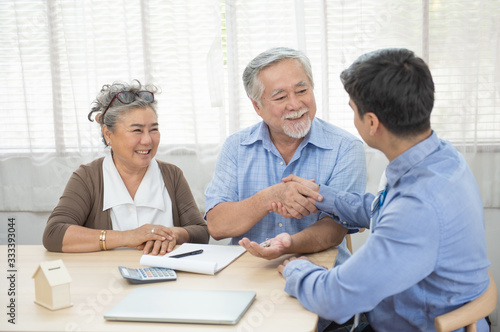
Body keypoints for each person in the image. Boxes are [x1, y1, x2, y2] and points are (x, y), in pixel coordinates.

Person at [277, 48, 491, 331]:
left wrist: (296, 269)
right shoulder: (440, 158)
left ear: (372, 123)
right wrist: (322, 196)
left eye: (354, 111)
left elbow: (334, 299)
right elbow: (382, 208)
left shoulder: (418, 206)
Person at [204, 47, 366, 266]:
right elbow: (217, 226)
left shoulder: (346, 147)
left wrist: (287, 245)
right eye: (280, 97)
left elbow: (335, 229)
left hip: (320, 274)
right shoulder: (236, 147)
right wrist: (270, 198)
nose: (295, 104)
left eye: (302, 91)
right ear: (257, 107)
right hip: (248, 272)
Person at [43, 80, 209, 254]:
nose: (147, 140)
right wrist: (128, 237)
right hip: (106, 277)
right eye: (137, 130)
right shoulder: (88, 177)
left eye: (153, 129)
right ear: (108, 134)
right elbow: (54, 234)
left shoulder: (172, 175)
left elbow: (201, 232)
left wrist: (173, 234)